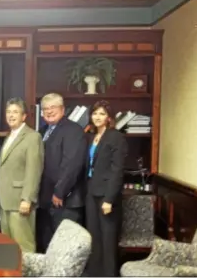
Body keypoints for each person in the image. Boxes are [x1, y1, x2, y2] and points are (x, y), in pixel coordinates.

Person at [36, 93, 87, 252]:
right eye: (45, 109)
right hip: (46, 200)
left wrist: (60, 192)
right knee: (47, 246)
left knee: (64, 250)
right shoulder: (43, 131)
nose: (49, 111)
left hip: (65, 200)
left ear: (63, 109)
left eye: (53, 107)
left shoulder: (73, 130)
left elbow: (72, 164)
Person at [84, 100, 128, 277]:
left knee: (108, 241)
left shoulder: (116, 137)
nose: (97, 117)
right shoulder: (92, 136)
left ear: (109, 117)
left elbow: (117, 170)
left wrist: (109, 199)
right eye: (95, 113)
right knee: (93, 238)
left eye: (102, 114)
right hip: (91, 192)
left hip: (107, 196)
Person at [0, 97, 44, 252]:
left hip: (20, 202)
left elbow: (34, 170)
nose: (11, 115)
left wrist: (27, 199)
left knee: (24, 247)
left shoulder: (32, 137)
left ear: (24, 116)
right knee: (7, 247)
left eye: (15, 112)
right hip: (5, 201)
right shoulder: (9, 136)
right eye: (9, 112)